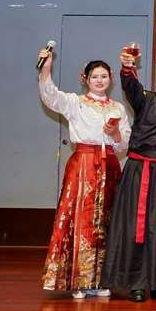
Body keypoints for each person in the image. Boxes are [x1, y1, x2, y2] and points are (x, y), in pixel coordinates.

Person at [38, 49, 130, 298]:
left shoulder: (118, 108)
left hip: (110, 165)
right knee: (79, 217)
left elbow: (124, 143)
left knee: (107, 220)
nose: (99, 81)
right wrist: (46, 67)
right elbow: (50, 96)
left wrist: (114, 134)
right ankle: (78, 279)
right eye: (94, 77)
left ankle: (102, 280)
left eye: (104, 76)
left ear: (111, 79)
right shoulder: (75, 102)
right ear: (85, 79)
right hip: (83, 163)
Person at [102, 51, 156, 302]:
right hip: (141, 170)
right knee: (137, 225)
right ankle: (137, 283)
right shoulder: (146, 99)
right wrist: (127, 67)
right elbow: (130, 86)